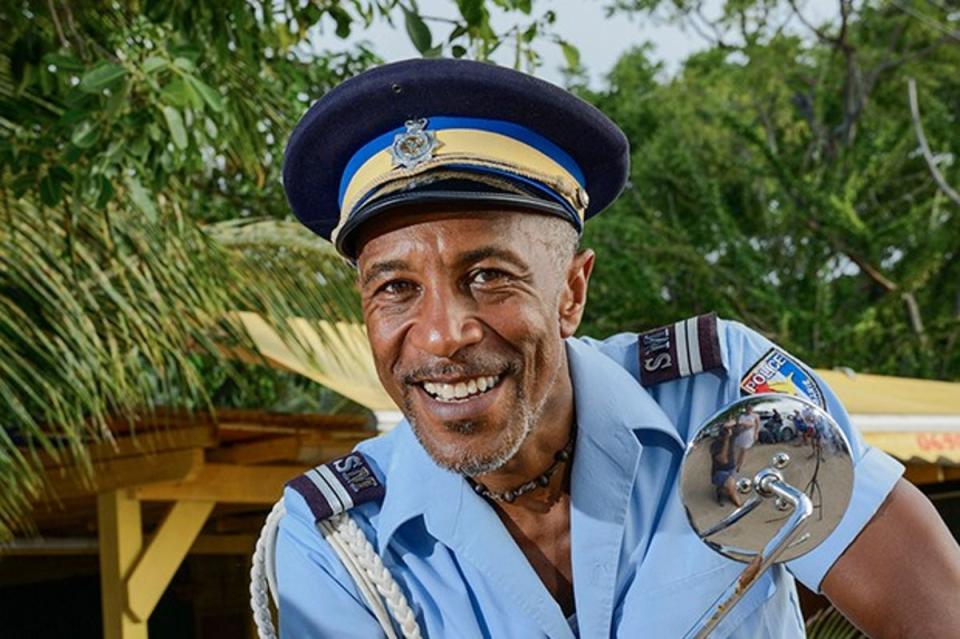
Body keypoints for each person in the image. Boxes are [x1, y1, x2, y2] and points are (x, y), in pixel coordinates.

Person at [273, 58, 960, 637]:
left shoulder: (724, 409)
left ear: (571, 292)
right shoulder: (338, 542)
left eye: (487, 276)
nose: (443, 333)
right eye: (395, 287)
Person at [711, 417, 742, 508]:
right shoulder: (715, 445)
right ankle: (736, 502)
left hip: (731, 468)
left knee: (731, 486)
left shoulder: (732, 436)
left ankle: (727, 492)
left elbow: (738, 426)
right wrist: (726, 440)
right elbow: (723, 460)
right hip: (718, 472)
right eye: (725, 431)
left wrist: (732, 422)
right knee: (730, 483)